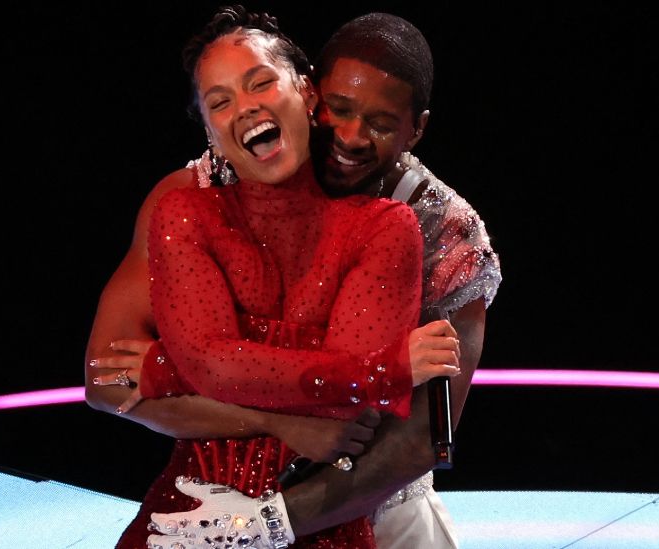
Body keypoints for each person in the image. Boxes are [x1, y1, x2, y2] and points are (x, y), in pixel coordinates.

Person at [86, 8, 501, 549]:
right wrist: (281, 424)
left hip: (368, 495)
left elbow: (421, 441)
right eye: (339, 109)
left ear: (416, 128)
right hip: (213, 497)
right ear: (313, 94)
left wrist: (264, 526)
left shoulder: (445, 233)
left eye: (379, 122)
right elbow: (107, 381)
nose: (350, 137)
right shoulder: (194, 198)